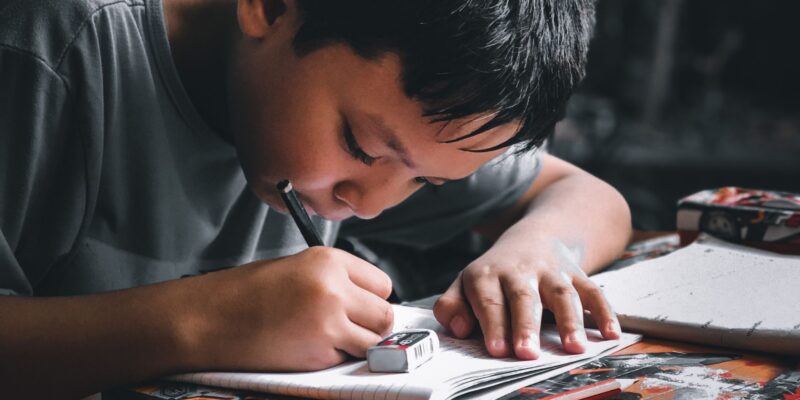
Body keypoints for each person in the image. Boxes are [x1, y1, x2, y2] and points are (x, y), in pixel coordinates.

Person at [0, 0, 631, 398]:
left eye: (425, 182)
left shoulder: (400, 117)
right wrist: (201, 323)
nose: (372, 204)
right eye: (359, 146)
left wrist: (537, 251)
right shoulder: (51, 49)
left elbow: (588, 194)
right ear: (271, 8)